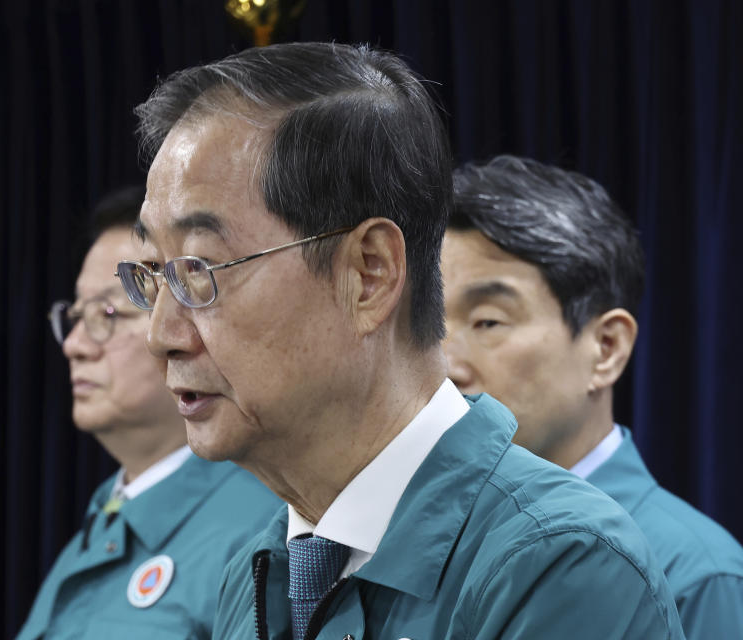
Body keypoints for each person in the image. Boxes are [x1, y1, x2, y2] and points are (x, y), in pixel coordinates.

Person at [117, 42, 684, 639]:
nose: (161, 336)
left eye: (201, 269)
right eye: (153, 272)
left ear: (369, 274)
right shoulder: (259, 573)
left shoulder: (560, 565)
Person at [444, 154, 743, 638]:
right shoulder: (420, 545)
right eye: (426, 324)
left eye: (487, 322)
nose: (444, 365)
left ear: (606, 349)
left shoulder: (699, 580)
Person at [15, 186, 282, 640]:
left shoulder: (263, 528)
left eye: (107, 313)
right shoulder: (105, 515)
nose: (76, 346)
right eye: (75, 316)